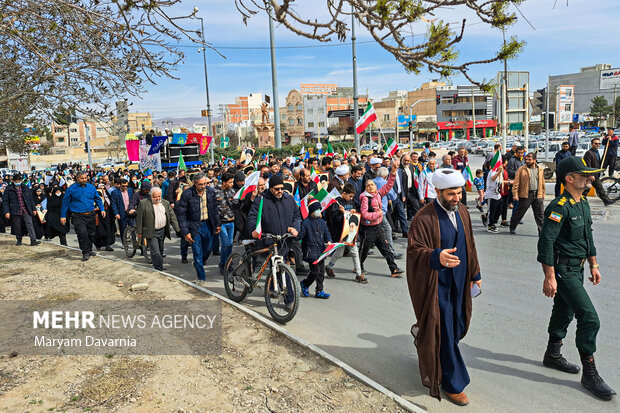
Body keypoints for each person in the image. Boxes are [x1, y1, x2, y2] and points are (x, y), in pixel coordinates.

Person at [537, 156, 616, 401]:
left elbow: (587, 236)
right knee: (590, 318)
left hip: (578, 268)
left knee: (564, 309)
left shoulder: (581, 202)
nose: (590, 178)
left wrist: (594, 263)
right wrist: (549, 276)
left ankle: (552, 353)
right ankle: (589, 371)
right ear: (570, 179)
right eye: (584, 175)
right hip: (563, 270)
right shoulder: (559, 207)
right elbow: (546, 242)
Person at [406, 168, 482, 405]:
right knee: (446, 333)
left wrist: (475, 273)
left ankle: (429, 346)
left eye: (458, 193)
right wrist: (436, 256)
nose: (456, 198)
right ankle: (453, 383)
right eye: (451, 194)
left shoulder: (462, 211)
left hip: (460, 282)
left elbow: (470, 243)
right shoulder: (424, 218)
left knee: (456, 327)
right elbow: (415, 252)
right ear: (437, 191)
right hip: (437, 287)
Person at [359, 158, 404, 278]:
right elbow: (364, 214)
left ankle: (393, 269)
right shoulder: (365, 198)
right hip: (368, 228)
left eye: (372, 185)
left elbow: (389, 185)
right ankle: (359, 267)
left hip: (378, 227)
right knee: (363, 251)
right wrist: (377, 214)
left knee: (386, 249)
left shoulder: (378, 193)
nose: (370, 187)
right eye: (368, 186)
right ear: (366, 188)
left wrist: (393, 172)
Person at [175, 172, 221, 286]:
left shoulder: (210, 192)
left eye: (205, 183)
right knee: (197, 251)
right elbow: (181, 215)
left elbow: (215, 209)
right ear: (195, 183)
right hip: (194, 226)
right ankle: (201, 277)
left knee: (208, 248)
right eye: (201, 184)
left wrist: (218, 224)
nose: (203, 186)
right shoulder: (187, 194)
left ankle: (198, 262)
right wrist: (185, 232)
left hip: (208, 225)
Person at [61, 171, 105, 261]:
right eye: (82, 178)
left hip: (90, 214)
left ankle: (89, 250)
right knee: (82, 234)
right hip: (78, 216)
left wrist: (102, 209)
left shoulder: (91, 187)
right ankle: (85, 252)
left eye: (85, 178)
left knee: (91, 234)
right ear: (77, 179)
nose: (84, 180)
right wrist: (63, 216)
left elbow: (98, 199)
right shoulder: (71, 189)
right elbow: (65, 203)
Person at [325, 184, 365, 283]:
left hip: (351, 232)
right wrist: (341, 213)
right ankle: (329, 267)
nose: (351, 198)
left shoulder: (351, 201)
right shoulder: (336, 202)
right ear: (344, 193)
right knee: (339, 253)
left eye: (352, 196)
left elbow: (356, 211)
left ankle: (359, 274)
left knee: (355, 252)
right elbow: (333, 218)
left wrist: (354, 211)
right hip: (340, 233)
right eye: (350, 196)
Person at [136, 187, 180, 271]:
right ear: (151, 195)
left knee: (160, 249)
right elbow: (139, 218)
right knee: (155, 250)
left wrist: (178, 230)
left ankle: (158, 264)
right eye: (155, 196)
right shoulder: (143, 203)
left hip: (162, 231)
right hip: (151, 231)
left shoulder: (165, 203)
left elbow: (172, 217)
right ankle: (158, 267)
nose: (157, 198)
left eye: (159, 196)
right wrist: (139, 231)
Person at [298, 200, 332, 299]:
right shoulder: (306, 222)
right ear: (312, 211)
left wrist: (329, 240)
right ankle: (305, 283)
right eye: (317, 210)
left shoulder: (322, 222)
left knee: (321, 272)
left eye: (319, 210)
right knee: (315, 272)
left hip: (321, 251)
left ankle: (319, 290)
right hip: (310, 251)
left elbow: (327, 233)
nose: (319, 211)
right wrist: (296, 234)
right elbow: (301, 235)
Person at [509, 153, 545, 234]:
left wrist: (543, 193)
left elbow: (542, 182)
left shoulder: (540, 169)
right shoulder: (521, 169)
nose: (527, 161)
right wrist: (515, 194)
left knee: (540, 215)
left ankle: (541, 232)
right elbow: (516, 182)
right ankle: (513, 226)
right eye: (526, 159)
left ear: (534, 160)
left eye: (529, 160)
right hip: (526, 195)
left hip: (538, 194)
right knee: (519, 213)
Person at [3, 173, 39, 246]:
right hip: (15, 209)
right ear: (13, 181)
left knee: (30, 224)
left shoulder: (25, 188)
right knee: (17, 226)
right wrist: (7, 211)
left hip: (25, 209)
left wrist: (34, 209)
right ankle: (19, 240)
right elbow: (5, 201)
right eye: (16, 181)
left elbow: (30, 199)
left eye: (19, 181)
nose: (17, 183)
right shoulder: (9, 189)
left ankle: (33, 240)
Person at [214, 171, 237, 274]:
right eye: (230, 182)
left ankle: (229, 263)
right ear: (224, 182)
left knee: (230, 244)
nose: (232, 184)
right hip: (221, 222)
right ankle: (223, 263)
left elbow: (236, 203)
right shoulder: (214, 191)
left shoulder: (232, 191)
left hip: (231, 221)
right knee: (225, 243)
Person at [583, 137, 614, 206]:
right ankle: (579, 201)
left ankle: (606, 201)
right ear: (592, 144)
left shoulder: (596, 152)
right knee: (586, 190)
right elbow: (588, 165)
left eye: (599, 144)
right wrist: (590, 175)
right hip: (591, 176)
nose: (598, 145)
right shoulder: (589, 153)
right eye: (596, 143)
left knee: (600, 189)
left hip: (596, 175)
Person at [93, 183, 115, 251]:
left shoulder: (108, 196)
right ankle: (98, 244)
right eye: (101, 189)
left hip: (109, 216)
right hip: (100, 216)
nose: (103, 190)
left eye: (104, 188)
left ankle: (108, 245)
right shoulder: (96, 197)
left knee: (109, 230)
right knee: (100, 231)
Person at [484, 163, 504, 233]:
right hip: (491, 195)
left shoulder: (498, 173)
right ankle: (490, 225)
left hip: (498, 195)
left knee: (499, 210)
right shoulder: (491, 172)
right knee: (491, 211)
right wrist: (499, 171)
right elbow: (493, 178)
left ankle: (493, 222)